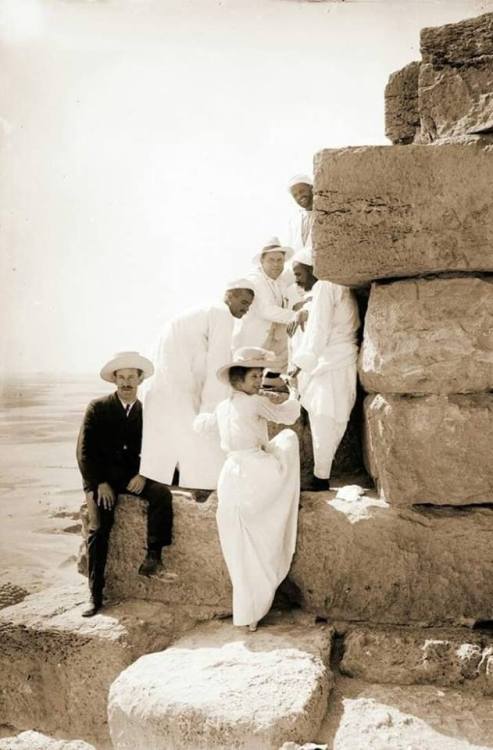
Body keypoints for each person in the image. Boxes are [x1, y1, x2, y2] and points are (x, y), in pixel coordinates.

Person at [194, 347, 301, 631]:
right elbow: (289, 416)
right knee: (288, 439)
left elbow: (202, 427)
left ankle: (247, 611)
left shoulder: (223, 407)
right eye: (254, 376)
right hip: (255, 471)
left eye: (260, 375)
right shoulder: (253, 403)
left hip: (231, 475)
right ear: (238, 381)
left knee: (239, 544)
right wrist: (294, 392)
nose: (259, 381)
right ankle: (254, 608)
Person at [76, 351, 174, 617]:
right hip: (100, 480)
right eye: (121, 377)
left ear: (140, 380)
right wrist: (99, 484)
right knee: (98, 528)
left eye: (132, 377)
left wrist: (144, 474)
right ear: (114, 381)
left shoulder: (146, 412)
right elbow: (84, 452)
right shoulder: (98, 408)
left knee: (162, 495)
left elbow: (156, 449)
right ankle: (95, 596)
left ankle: (153, 557)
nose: (126, 383)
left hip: (132, 478)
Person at [140, 281, 255, 490]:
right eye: (244, 302)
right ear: (230, 296)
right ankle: (202, 482)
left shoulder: (204, 311)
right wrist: (213, 408)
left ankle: (169, 477)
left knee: (168, 430)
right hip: (178, 380)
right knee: (198, 430)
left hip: (166, 378)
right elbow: (218, 366)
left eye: (250, 305)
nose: (246, 309)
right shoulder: (221, 314)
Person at [289, 261, 360, 490]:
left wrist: (299, 364)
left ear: (312, 269)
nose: (297, 280)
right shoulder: (342, 287)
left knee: (324, 418)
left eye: (299, 274)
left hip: (330, 362)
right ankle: (322, 474)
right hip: (343, 360)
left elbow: (319, 329)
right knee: (335, 418)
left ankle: (320, 478)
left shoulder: (324, 287)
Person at [235, 238, 305, 375]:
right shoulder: (256, 280)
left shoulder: (279, 280)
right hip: (253, 342)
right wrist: (298, 316)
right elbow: (266, 311)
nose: (276, 264)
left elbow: (299, 270)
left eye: (280, 260)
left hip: (271, 344)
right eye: (271, 260)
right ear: (262, 261)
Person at [287, 174, 314, 254]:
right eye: (295, 195)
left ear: (312, 189)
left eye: (302, 191)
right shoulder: (293, 221)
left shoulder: (326, 214)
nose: (299, 196)